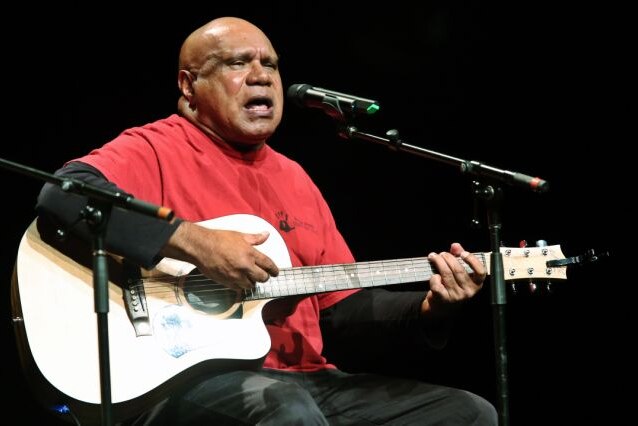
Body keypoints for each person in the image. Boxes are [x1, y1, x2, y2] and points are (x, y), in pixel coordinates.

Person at [35, 16, 497, 425]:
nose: (261, 77)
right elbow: (63, 195)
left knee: (469, 413)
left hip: (307, 383)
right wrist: (197, 243)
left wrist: (431, 309)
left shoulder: (294, 177)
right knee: (285, 409)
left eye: (271, 65)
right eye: (238, 64)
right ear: (188, 85)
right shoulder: (155, 148)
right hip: (185, 382)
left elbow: (339, 313)